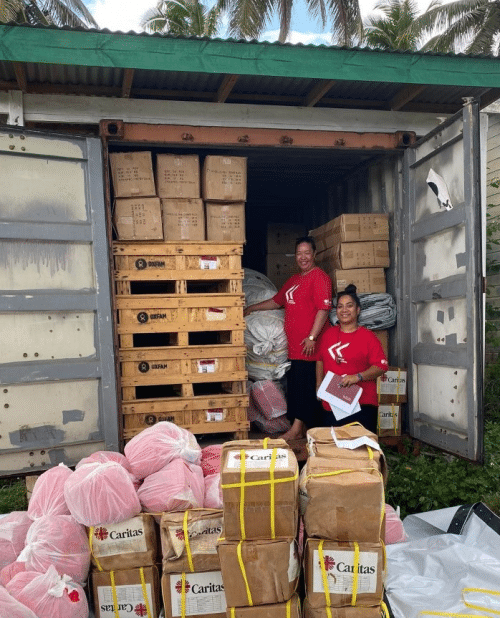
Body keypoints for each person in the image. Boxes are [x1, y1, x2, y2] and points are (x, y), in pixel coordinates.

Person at [243, 236, 332, 440]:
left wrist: (312, 337)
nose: (303, 257)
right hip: (294, 348)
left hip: (311, 347)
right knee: (296, 386)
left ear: (315, 254)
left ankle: (297, 429)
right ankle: (302, 428)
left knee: (307, 387)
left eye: (307, 253)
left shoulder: (320, 278)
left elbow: (323, 309)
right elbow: (276, 302)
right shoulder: (294, 280)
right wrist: (251, 308)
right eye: (299, 253)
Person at [316, 284, 388, 434]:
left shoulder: (368, 337)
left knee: (360, 450)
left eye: (349, 306)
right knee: (334, 449)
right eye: (340, 306)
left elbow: (381, 366)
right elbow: (320, 359)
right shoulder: (328, 335)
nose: (344, 310)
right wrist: (318, 384)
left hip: (362, 403)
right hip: (332, 402)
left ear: (358, 310)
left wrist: (358, 377)